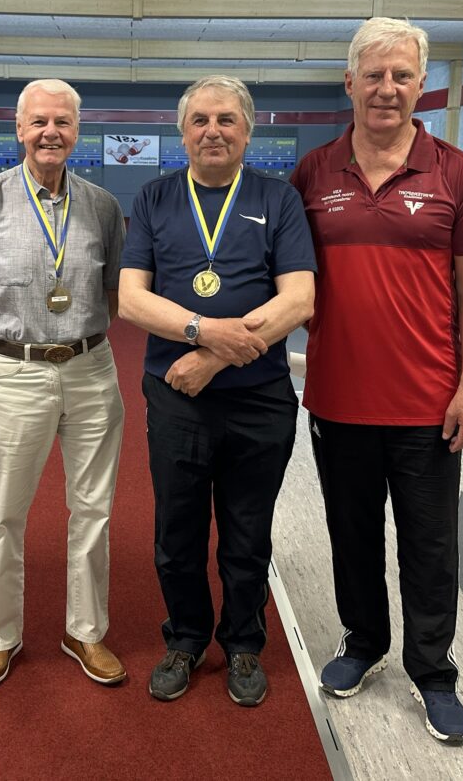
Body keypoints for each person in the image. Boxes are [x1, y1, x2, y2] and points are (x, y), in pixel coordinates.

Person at [290, 17, 463, 743]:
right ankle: (364, 642)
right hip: (338, 399)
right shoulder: (314, 172)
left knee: (430, 545)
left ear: (421, 84)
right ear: (349, 82)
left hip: (428, 402)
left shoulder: (455, 173)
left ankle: (433, 672)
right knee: (351, 535)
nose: (387, 88)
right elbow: (289, 277)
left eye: (401, 75)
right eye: (374, 75)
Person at [119, 75, 316, 707]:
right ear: (182, 133)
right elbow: (131, 299)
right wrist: (201, 331)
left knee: (247, 530)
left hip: (260, 398)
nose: (213, 131)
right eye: (200, 120)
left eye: (227, 120)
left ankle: (244, 643)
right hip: (176, 394)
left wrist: (211, 358)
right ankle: (184, 637)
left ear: (248, 131)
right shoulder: (154, 197)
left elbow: (299, 299)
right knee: (177, 529)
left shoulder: (278, 199)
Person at [0, 79, 127, 688]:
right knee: (4, 513)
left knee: (93, 508)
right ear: (19, 129)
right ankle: (1, 637)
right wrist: (2, 349)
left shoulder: (102, 206)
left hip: (91, 369)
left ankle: (85, 631)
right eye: (39, 122)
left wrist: (75, 342)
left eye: (63, 122)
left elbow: (114, 291)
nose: (51, 132)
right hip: (17, 371)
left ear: (78, 130)